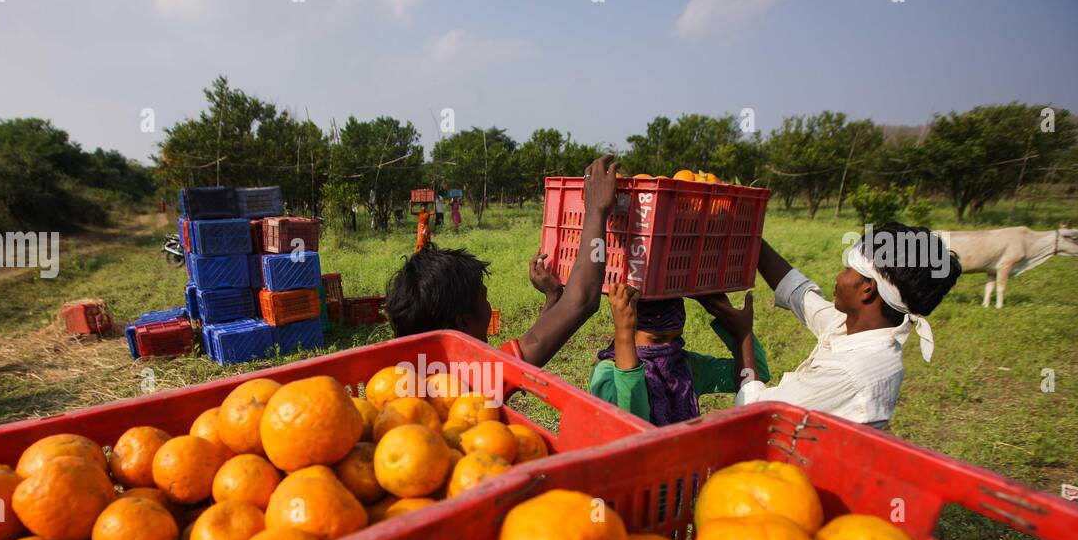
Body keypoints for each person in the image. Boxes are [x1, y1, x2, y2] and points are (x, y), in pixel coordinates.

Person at [385, 154, 621, 367]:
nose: (490, 307)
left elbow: (535, 340)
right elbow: (584, 301)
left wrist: (553, 297)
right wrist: (596, 211)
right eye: (484, 298)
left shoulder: (427, 371)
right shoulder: (474, 380)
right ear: (464, 322)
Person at [732, 222, 962, 429]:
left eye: (847, 269)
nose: (839, 277)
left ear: (867, 289)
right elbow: (799, 293)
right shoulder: (859, 328)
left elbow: (757, 411)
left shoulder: (849, 371)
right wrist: (751, 236)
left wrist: (742, 336)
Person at [586, 283, 770, 426]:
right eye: (657, 340)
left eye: (676, 339)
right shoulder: (606, 373)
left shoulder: (683, 366)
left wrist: (741, 334)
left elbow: (757, 373)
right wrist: (624, 332)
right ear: (628, 334)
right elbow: (631, 421)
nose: (669, 348)